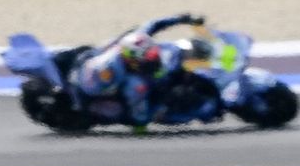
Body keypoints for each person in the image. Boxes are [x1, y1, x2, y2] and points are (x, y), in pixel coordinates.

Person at [71, 13, 207, 129]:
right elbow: (140, 117)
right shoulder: (133, 83)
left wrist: (182, 18)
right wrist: (149, 117)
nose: (154, 61)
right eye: (148, 60)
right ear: (133, 62)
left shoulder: (138, 41)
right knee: (126, 114)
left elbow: (155, 24)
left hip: (90, 58)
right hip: (88, 95)